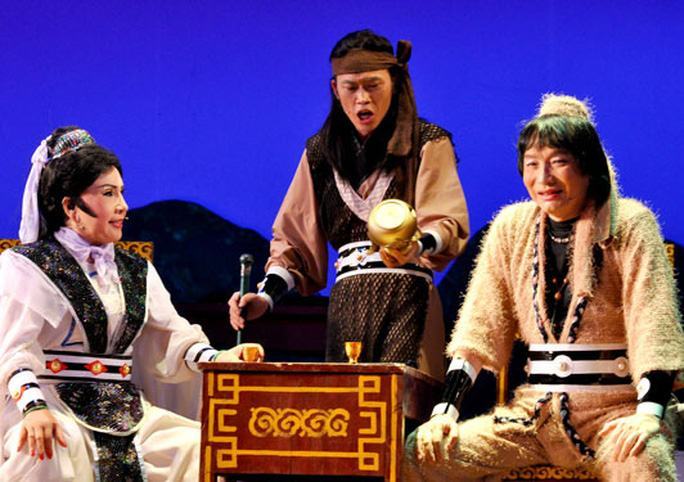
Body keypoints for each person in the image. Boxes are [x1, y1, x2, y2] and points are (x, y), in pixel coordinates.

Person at [403, 95, 684, 481]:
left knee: (644, 459)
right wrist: (444, 413)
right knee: (422, 453)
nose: (543, 178)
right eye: (533, 164)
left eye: (559, 162)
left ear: (588, 165)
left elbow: (653, 322)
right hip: (533, 417)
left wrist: (648, 415)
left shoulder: (631, 223)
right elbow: (478, 330)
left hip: (616, 410)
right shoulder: (510, 227)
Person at [0, 127, 264, 482]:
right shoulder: (26, 266)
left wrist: (219, 358)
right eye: (108, 193)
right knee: (52, 447)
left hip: (126, 410)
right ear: (70, 206)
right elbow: (12, 349)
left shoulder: (135, 270)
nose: (122, 206)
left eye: (121, 192)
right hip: (52, 404)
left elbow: (171, 338)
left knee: (197, 447)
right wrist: (33, 407)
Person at [228, 29, 469, 373]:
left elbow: (447, 222)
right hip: (347, 306)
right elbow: (294, 241)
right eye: (351, 87)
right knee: (346, 399)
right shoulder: (320, 154)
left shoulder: (427, 143)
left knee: (399, 399)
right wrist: (265, 297)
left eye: (373, 85)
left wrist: (416, 246)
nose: (362, 99)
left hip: (409, 298)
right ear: (334, 88)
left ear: (395, 83)